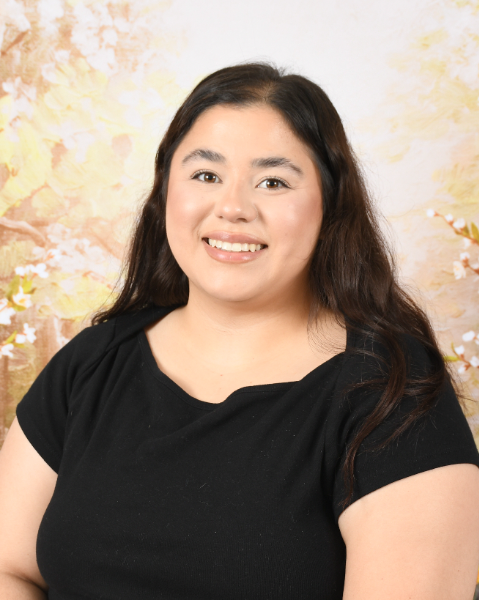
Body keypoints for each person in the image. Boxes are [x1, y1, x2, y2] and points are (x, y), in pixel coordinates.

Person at [0, 62, 478, 600]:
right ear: (165, 191)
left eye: (273, 182)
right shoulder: (93, 362)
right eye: (206, 175)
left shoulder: (391, 394)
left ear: (330, 205)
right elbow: (9, 568)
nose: (232, 208)